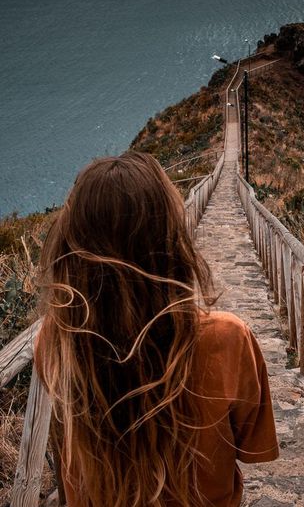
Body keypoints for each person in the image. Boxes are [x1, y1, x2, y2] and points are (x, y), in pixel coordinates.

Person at [35, 151, 278, 507]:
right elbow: (251, 444)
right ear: (170, 237)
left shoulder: (55, 343)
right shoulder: (227, 339)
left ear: (73, 246)